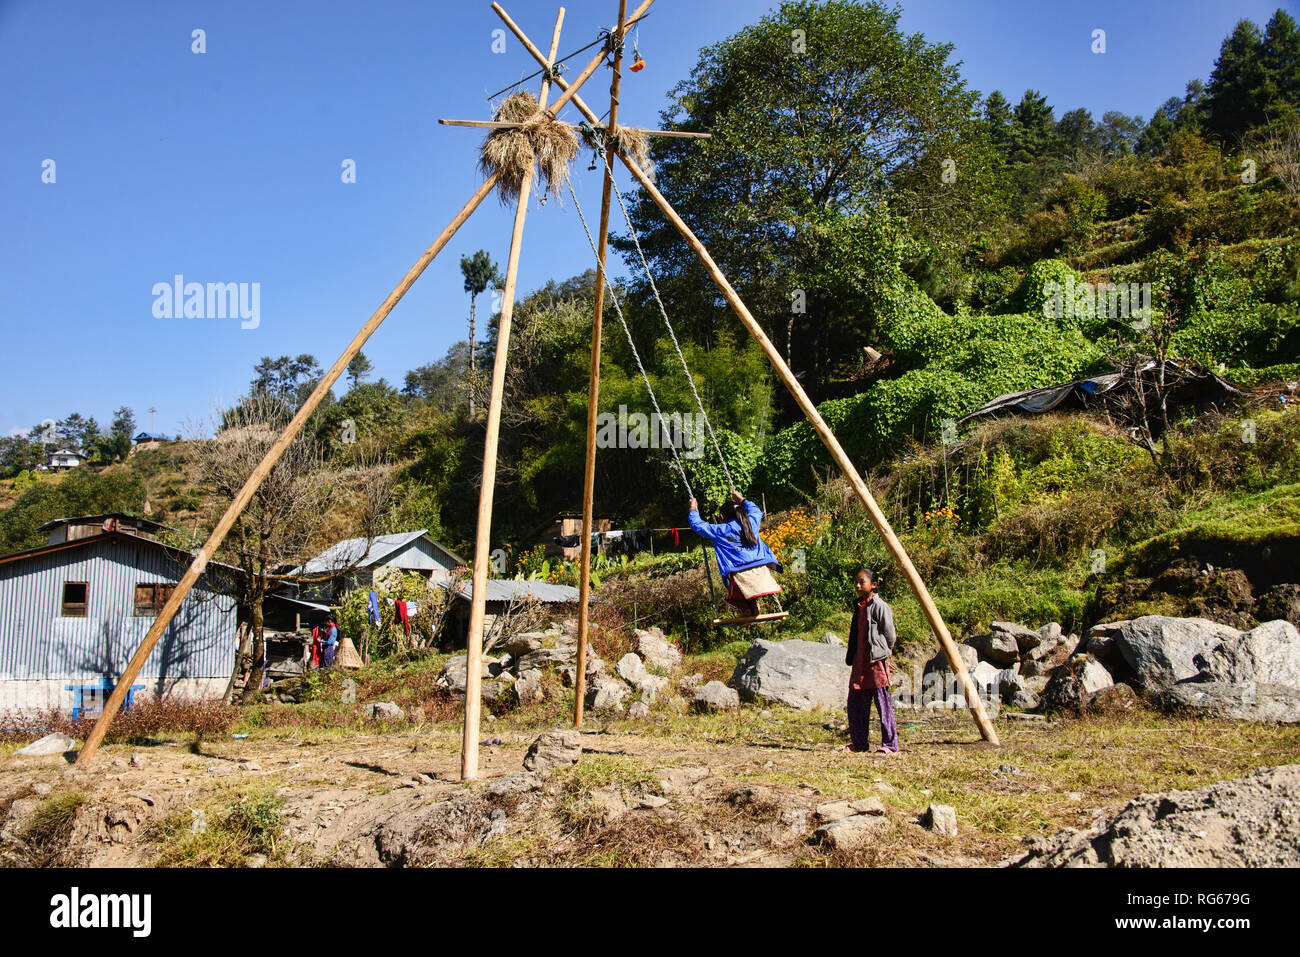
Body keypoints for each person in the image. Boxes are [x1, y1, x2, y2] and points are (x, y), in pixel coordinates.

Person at [688, 489, 783, 618]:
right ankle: (752, 606)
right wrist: (742, 499)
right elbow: (755, 510)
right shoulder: (751, 523)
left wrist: (693, 507)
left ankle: (745, 607)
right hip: (761, 571)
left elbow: (697, 525)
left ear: (722, 517)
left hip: (738, 575)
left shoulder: (721, 530)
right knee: (746, 591)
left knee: (732, 597)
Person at [844, 568, 899, 754]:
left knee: (882, 702)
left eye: (862, 582)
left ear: (873, 585)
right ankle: (859, 743)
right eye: (856, 582)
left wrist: (885, 653)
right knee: (856, 702)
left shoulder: (880, 606)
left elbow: (890, 634)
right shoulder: (858, 606)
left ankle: (890, 745)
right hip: (859, 662)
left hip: (875, 661)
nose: (858, 585)